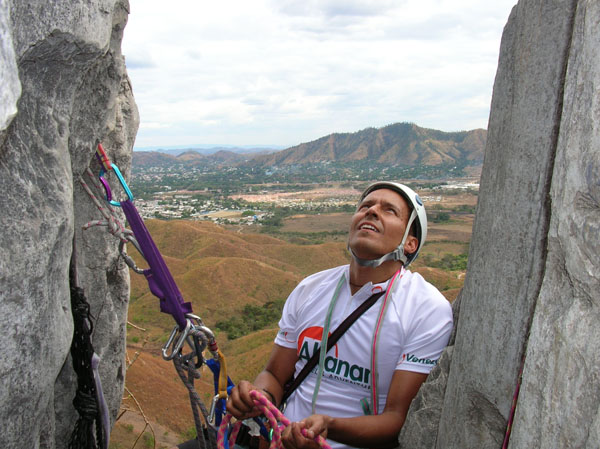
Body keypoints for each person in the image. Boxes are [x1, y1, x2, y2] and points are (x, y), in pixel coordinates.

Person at [226, 182, 453, 449]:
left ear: (411, 243)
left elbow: (395, 419)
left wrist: (328, 428)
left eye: (389, 210)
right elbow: (274, 375)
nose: (372, 211)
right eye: (365, 206)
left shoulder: (426, 308)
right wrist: (259, 397)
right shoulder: (310, 289)